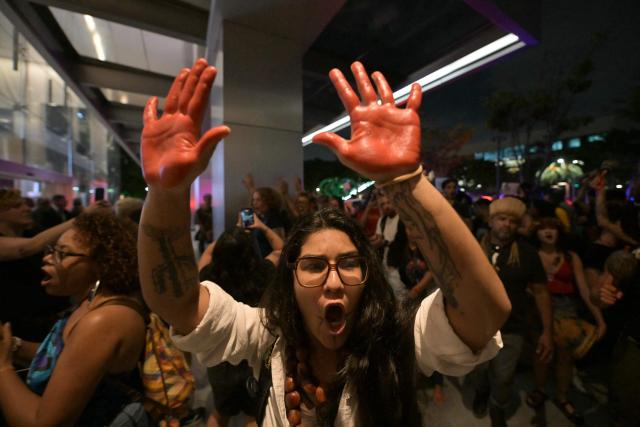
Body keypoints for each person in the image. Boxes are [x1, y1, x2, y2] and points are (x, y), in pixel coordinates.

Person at [138, 58, 510, 426]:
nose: (334, 282)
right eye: (314, 266)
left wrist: (406, 181)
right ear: (290, 276)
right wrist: (166, 193)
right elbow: (179, 305)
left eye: (349, 263)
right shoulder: (264, 335)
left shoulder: (398, 338)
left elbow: (484, 312)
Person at [0, 210, 147, 426]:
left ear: (101, 264)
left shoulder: (105, 319)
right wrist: (12, 346)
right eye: (52, 250)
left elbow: (45, 423)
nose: (47, 258)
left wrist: (3, 367)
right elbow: (66, 358)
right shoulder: (90, 303)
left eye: (62, 253)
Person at [471, 197, 553, 426]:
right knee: (478, 370)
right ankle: (481, 392)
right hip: (477, 327)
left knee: (504, 376)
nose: (507, 225)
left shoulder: (527, 253)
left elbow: (541, 292)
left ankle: (497, 409)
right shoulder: (472, 249)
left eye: (512, 221)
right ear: (491, 221)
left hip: (512, 327)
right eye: (501, 219)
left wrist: (547, 331)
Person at [199, 219, 282, 427]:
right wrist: (261, 226)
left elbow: (207, 255)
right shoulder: (264, 272)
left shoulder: (208, 276)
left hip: (220, 356)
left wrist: (229, 237)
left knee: (219, 413)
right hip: (252, 353)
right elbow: (281, 249)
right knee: (253, 416)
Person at [526, 217, 606, 424]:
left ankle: (562, 397)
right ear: (536, 233)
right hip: (538, 310)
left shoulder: (571, 257)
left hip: (567, 310)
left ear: (560, 231)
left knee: (565, 357)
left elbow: (584, 290)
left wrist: (600, 319)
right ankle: (540, 390)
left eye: (552, 227)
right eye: (543, 228)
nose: (548, 232)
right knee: (541, 353)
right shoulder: (531, 256)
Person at [0, 189, 98, 341]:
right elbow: (27, 248)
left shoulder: (32, 232)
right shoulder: (28, 241)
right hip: (18, 324)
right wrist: (83, 216)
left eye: (25, 204)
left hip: (51, 317)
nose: (26, 209)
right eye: (17, 205)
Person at [369, 193, 408, 300]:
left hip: (400, 266)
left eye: (388, 202)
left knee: (404, 297)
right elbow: (378, 237)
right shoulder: (382, 220)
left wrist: (383, 242)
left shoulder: (402, 219)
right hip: (386, 266)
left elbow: (401, 242)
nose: (386, 206)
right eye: (383, 204)